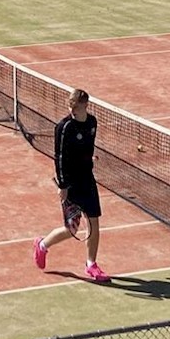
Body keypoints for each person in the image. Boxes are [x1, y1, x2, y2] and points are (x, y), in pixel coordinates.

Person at [34, 88, 109, 284]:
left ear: (85, 105)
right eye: (70, 107)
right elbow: (58, 157)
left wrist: (89, 158)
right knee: (71, 230)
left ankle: (91, 264)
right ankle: (42, 245)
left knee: (94, 223)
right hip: (70, 184)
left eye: (75, 107)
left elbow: (87, 145)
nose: (72, 110)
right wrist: (63, 185)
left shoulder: (92, 122)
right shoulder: (64, 127)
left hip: (88, 180)